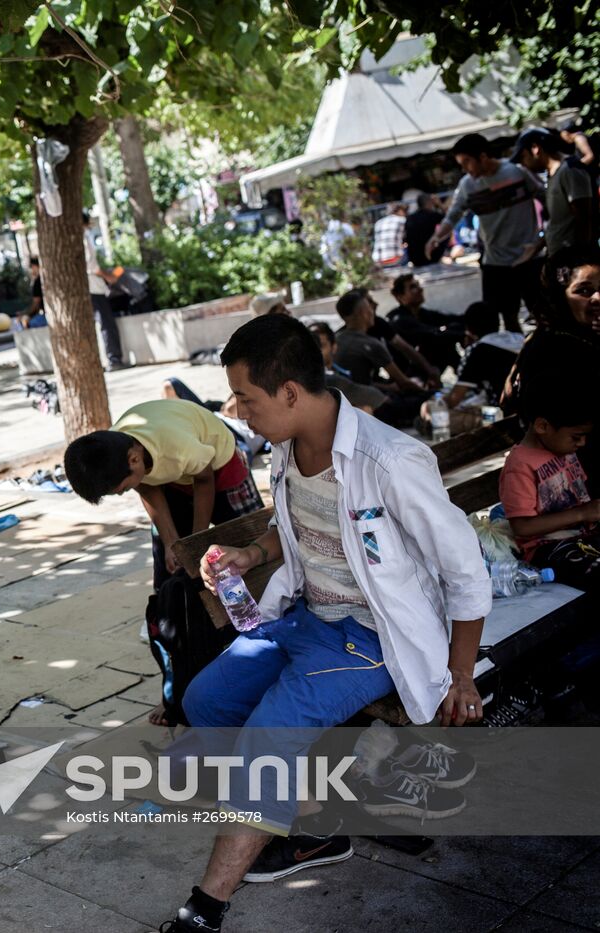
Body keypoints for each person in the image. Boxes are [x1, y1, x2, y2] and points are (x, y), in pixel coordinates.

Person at [159, 314, 490, 933]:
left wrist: (462, 674)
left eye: (247, 399)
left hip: (370, 637)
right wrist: (251, 555)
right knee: (205, 701)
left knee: (267, 740)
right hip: (308, 615)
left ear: (289, 392)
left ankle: (203, 910)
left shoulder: (388, 460)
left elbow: (466, 571)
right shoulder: (287, 446)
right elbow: (294, 527)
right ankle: (308, 826)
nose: (240, 413)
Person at [64, 398, 264, 599]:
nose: (123, 492)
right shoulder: (117, 451)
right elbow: (148, 489)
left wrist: (196, 541)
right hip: (174, 475)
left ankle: (264, 599)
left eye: (123, 489)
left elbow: (204, 480)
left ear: (134, 459)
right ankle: (174, 612)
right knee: (170, 557)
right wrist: (172, 543)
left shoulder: (176, 445)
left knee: (249, 538)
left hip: (219, 465)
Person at [428, 133, 546, 332]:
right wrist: (436, 237)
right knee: (507, 318)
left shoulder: (517, 172)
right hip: (495, 262)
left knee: (544, 315)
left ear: (483, 157)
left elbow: (546, 199)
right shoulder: (467, 185)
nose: (464, 168)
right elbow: (454, 213)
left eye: (467, 162)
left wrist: (542, 239)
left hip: (529, 258)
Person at [504, 252, 600, 493]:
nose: (598, 298)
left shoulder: (581, 338)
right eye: (584, 291)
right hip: (576, 484)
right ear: (559, 298)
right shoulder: (552, 347)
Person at [500, 384, 600, 591]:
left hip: (583, 537)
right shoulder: (520, 465)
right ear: (542, 426)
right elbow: (522, 527)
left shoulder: (561, 447)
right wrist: (582, 514)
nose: (582, 443)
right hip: (548, 549)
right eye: (576, 436)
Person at [332, 289, 430, 427]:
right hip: (373, 407)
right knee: (429, 400)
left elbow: (354, 380)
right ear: (364, 313)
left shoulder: (336, 340)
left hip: (346, 404)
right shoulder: (370, 344)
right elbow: (404, 383)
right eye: (369, 308)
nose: (373, 311)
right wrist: (429, 393)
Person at [513, 127, 596, 264]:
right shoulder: (552, 175)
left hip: (573, 261)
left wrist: (580, 261)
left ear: (535, 149)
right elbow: (559, 223)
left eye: (523, 157)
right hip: (559, 259)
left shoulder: (570, 170)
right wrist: (536, 248)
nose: (523, 163)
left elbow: (584, 218)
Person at [385, 273, 464, 372]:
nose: (420, 289)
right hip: (408, 371)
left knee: (453, 329)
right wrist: (463, 335)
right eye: (413, 287)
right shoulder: (398, 319)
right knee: (442, 342)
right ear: (400, 296)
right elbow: (431, 334)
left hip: (426, 364)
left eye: (418, 285)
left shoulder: (423, 313)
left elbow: (452, 318)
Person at [306, 322, 386, 414]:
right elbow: (374, 397)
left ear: (334, 347)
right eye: (311, 347)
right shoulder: (324, 378)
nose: (315, 352)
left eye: (321, 346)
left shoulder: (340, 371)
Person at [84, 211, 127, 370]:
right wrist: (108, 277)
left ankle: (106, 360)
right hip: (93, 288)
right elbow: (92, 266)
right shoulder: (83, 238)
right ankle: (114, 359)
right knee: (106, 324)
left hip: (88, 288)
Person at [405, 193, 448, 266]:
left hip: (414, 259)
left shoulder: (410, 218)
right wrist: (439, 204)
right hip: (430, 257)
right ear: (429, 202)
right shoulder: (432, 215)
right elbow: (449, 220)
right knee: (447, 232)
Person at [21, 257, 44, 327]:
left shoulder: (38, 281)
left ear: (34, 266)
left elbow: (36, 304)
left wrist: (27, 315)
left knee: (27, 323)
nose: (30, 270)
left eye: (30, 267)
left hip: (47, 316)